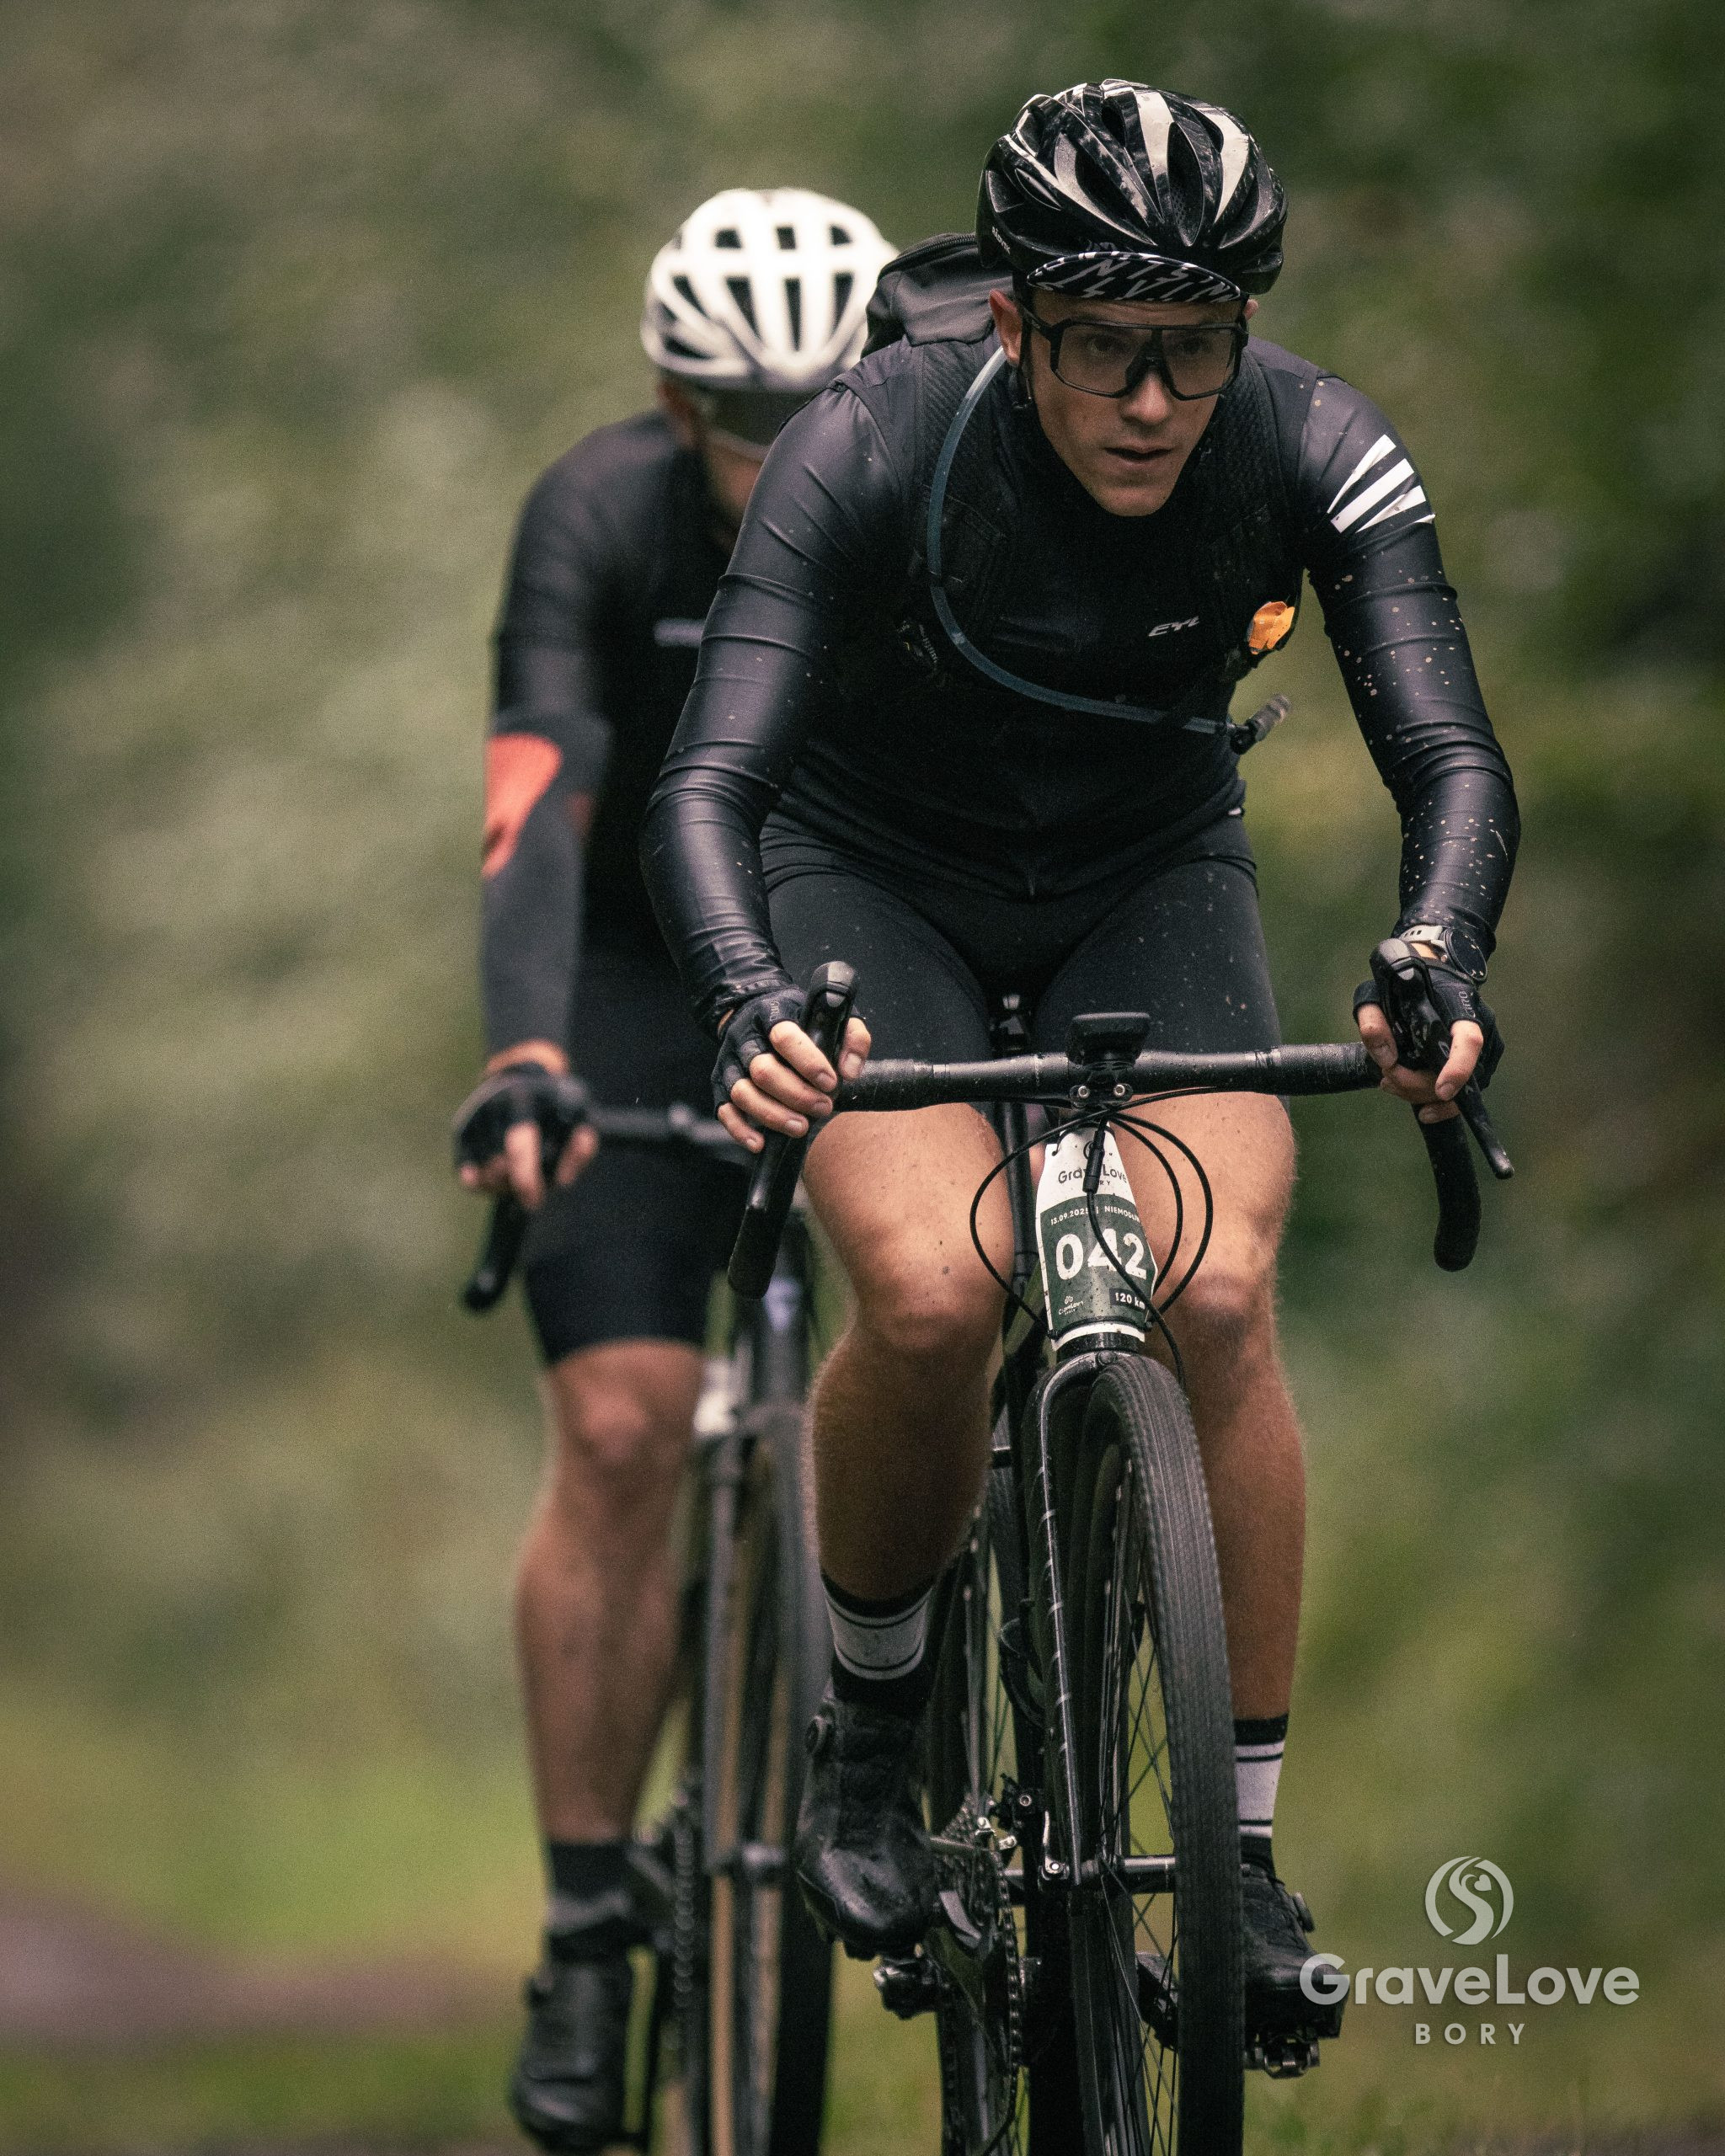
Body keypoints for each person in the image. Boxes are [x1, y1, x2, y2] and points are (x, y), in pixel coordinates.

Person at [641, 83, 1518, 2051]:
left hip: (1144, 870)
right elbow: (704, 785)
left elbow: (1450, 757)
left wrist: (1436, 959)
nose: (1147, 399)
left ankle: (1242, 1855)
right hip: (869, 872)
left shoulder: (1316, 443)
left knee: (1214, 1284)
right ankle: (874, 1731)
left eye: (1191, 348)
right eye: (1103, 346)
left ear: (1240, 335)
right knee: (934, 1286)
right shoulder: (868, 441)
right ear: (1013, 325)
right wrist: (747, 999)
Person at [451, 186, 895, 2152]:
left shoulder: (932, 504)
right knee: (625, 1422)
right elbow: (533, 802)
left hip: (861, 948)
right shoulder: (598, 515)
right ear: (672, 405)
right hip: (636, 978)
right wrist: (527, 1052)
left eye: (823, 411)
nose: (789, 454)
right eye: (748, 421)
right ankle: (581, 1927)